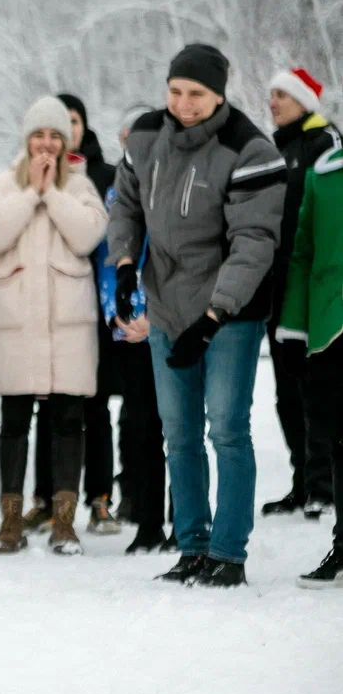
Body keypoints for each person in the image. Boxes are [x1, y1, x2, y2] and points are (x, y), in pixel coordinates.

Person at [108, 43, 286, 587]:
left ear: (219, 95)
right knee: (179, 433)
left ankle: (228, 554)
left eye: (197, 95)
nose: (184, 104)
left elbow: (255, 240)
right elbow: (126, 206)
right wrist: (122, 267)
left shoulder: (250, 149)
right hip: (166, 304)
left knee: (227, 428)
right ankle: (192, 546)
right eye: (176, 91)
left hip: (228, 311)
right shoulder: (144, 137)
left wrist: (212, 318)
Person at [0, 97, 107, 557]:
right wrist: (30, 192)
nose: (46, 145)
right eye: (39, 136)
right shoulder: (3, 183)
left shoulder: (82, 186)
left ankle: (64, 522)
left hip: (67, 323)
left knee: (69, 418)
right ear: (26, 140)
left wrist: (52, 194)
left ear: (66, 142)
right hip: (18, 323)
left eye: (55, 136)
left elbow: (89, 234)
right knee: (14, 420)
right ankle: (10, 521)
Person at [23, 94, 121, 536]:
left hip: (95, 305)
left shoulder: (102, 174)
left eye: (72, 122)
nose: (64, 132)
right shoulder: (27, 177)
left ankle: (101, 498)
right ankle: (45, 499)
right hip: (47, 309)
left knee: (94, 407)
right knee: (50, 405)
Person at [262, 68, 340, 521]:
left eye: (281, 95)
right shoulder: (279, 147)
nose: (272, 102)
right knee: (286, 390)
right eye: (270, 94)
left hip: (313, 290)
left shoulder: (324, 144)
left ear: (302, 101)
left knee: (316, 387)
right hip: (280, 286)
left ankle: (323, 484)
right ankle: (301, 480)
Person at [98, 123, 170, 554]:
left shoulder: (173, 188)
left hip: (171, 320)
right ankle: (148, 520)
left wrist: (155, 317)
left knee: (180, 428)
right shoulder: (116, 195)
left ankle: (187, 520)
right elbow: (109, 262)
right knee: (140, 425)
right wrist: (121, 317)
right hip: (130, 329)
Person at [282, 145, 343, 586]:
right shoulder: (323, 176)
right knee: (338, 439)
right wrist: (294, 327)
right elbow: (302, 253)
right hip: (329, 329)